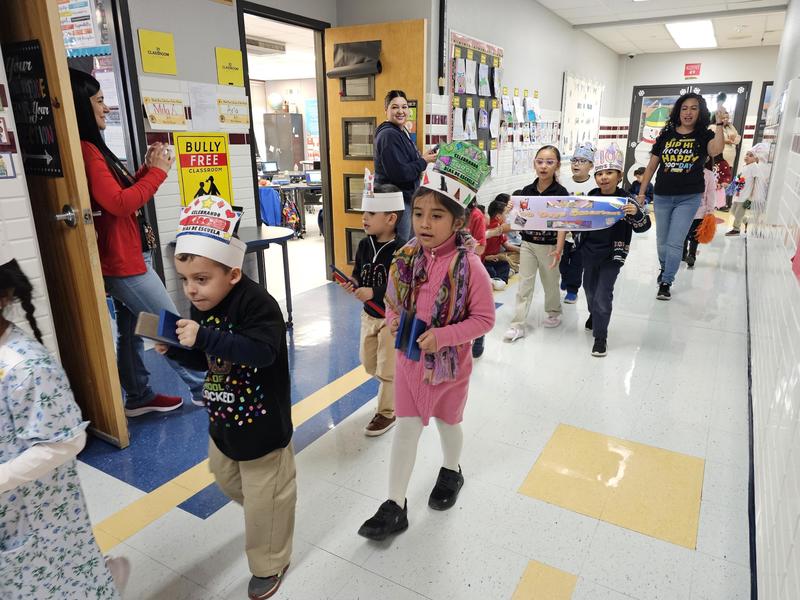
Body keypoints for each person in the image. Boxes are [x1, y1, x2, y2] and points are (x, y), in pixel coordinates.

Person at [157, 198, 295, 600]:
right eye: (184, 280)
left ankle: (270, 561)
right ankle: (269, 510)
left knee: (265, 500)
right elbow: (208, 358)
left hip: (263, 427)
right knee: (228, 479)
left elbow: (262, 352)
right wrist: (179, 349)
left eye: (200, 279)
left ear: (233, 272)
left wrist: (204, 337)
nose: (191, 290)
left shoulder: (258, 304)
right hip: (223, 424)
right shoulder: (204, 305)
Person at [357, 142, 494, 541]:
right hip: (409, 362)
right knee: (406, 428)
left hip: (449, 369)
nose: (425, 223)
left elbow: (485, 318)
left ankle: (452, 470)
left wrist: (446, 336)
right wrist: (399, 321)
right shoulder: (405, 256)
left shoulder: (470, 268)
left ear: (458, 221)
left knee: (449, 424)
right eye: (419, 214)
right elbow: (394, 300)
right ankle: (394, 504)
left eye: (437, 216)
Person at [69, 68, 205, 416]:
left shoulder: (94, 149)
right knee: (169, 324)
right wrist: (158, 174)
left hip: (129, 255)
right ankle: (203, 388)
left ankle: (138, 395)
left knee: (131, 332)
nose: (105, 108)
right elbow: (118, 204)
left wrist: (147, 169)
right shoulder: (86, 151)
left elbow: (123, 194)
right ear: (81, 106)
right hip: (124, 262)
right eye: (99, 101)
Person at [0, 249, 126, 599]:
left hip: (35, 508)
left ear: (4, 296)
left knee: (57, 581)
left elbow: (65, 443)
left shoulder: (27, 367)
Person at [635, 92, 726, 301]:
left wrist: (719, 124)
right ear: (678, 111)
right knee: (661, 242)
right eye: (684, 108)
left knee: (675, 242)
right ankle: (665, 268)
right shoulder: (666, 135)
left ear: (700, 112)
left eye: (694, 108)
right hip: (663, 195)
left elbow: (716, 150)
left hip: (689, 197)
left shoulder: (704, 135)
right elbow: (651, 167)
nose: (688, 112)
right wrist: (641, 192)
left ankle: (666, 281)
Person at [342, 177, 405, 435]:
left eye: (370, 213)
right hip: (368, 315)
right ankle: (394, 387)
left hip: (391, 319)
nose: (364, 218)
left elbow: (402, 288)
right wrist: (353, 283)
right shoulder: (363, 245)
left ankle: (387, 412)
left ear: (390, 219)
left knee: (387, 369)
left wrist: (374, 292)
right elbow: (358, 272)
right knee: (369, 363)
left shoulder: (402, 250)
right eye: (363, 213)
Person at [575, 143, 651, 357]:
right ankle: (594, 315)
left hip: (613, 255)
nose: (604, 177)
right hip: (589, 252)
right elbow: (577, 221)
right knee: (589, 290)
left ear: (619, 176)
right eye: (599, 173)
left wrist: (635, 213)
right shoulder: (591, 195)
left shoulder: (627, 200)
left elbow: (644, 226)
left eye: (609, 173)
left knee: (602, 295)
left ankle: (601, 337)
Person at [503, 146, 567, 342]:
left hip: (549, 246)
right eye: (540, 161)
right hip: (528, 243)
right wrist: (510, 212)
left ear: (557, 165)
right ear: (534, 164)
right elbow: (520, 221)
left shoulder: (561, 192)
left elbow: (562, 222)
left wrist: (559, 247)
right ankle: (518, 325)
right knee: (524, 285)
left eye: (549, 162)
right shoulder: (527, 191)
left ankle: (554, 311)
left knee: (550, 282)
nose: (544, 166)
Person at [374, 90, 438, 240]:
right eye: (395, 107)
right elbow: (400, 173)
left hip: (406, 199)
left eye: (404, 107)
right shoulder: (388, 135)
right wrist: (423, 161)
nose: (401, 111)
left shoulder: (401, 131)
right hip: (396, 201)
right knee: (400, 249)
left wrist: (423, 157)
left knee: (407, 246)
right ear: (386, 110)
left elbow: (407, 162)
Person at [560, 142, 596, 305]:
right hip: (563, 231)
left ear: (591, 166)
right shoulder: (563, 182)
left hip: (584, 232)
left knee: (577, 263)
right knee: (561, 261)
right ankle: (565, 277)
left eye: (582, 161)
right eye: (574, 160)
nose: (576, 164)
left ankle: (572, 290)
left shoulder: (595, 184)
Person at [726, 143, 769, 237]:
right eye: (746, 154)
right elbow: (739, 179)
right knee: (732, 211)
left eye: (751, 155)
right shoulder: (745, 166)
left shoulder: (754, 166)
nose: (747, 157)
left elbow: (756, 180)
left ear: (756, 159)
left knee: (738, 214)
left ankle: (736, 229)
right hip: (739, 194)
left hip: (746, 196)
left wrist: (752, 195)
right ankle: (746, 221)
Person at [683, 156, 717, 267]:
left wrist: (710, 210)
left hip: (699, 211)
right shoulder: (685, 169)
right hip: (683, 208)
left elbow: (711, 193)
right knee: (682, 233)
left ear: (707, 159)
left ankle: (691, 255)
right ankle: (683, 254)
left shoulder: (708, 174)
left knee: (695, 234)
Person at [465, 196, 487, 358]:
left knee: (473, 306)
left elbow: (481, 248)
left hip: (469, 270)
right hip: (447, 268)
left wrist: (464, 245)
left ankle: (479, 336)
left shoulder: (476, 215)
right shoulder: (446, 210)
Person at [483, 198, 520, 289]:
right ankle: (495, 279)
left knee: (504, 264)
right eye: (506, 214)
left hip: (496, 257)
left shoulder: (499, 226)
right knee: (490, 270)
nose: (507, 216)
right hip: (485, 259)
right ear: (498, 216)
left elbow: (506, 243)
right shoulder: (493, 227)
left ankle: (499, 279)